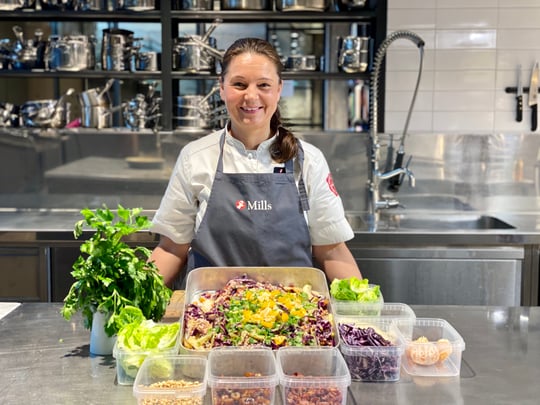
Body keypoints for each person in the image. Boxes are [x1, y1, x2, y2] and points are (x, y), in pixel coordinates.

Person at [150, 37, 361, 288]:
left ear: (279, 88)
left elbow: (331, 250)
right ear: (221, 87)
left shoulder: (309, 160)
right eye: (239, 84)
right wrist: (132, 299)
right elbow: (172, 248)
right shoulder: (195, 157)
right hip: (210, 315)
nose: (251, 96)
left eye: (263, 85)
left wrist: (363, 311)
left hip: (293, 314)